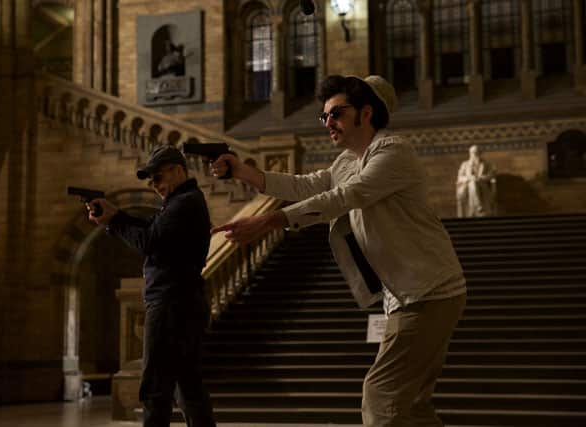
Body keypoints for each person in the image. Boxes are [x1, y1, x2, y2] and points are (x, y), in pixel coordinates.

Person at [210, 75, 466, 426]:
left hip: (428, 293)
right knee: (413, 406)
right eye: (324, 115)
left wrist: (270, 221)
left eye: (336, 113)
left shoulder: (393, 151)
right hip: (412, 294)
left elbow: (346, 196)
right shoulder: (347, 161)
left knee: (381, 399)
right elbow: (305, 186)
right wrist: (242, 170)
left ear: (366, 112)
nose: (327, 122)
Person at [87, 144, 216, 427]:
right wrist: (116, 216)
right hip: (184, 301)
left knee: (156, 387)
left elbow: (149, 241)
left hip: (171, 303)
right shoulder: (184, 201)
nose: (154, 185)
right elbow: (152, 229)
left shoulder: (183, 203)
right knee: (188, 388)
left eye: (158, 177)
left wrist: (114, 221)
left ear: (178, 170)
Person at [456, 144, 496, 217]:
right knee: (472, 183)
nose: (474, 154)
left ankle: (477, 206)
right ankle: (478, 205)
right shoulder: (465, 164)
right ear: (470, 153)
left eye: (476, 152)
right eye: (473, 152)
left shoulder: (486, 164)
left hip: (482, 185)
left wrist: (482, 178)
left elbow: (492, 175)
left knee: (473, 183)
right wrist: (469, 178)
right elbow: (460, 177)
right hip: (467, 186)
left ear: (480, 153)